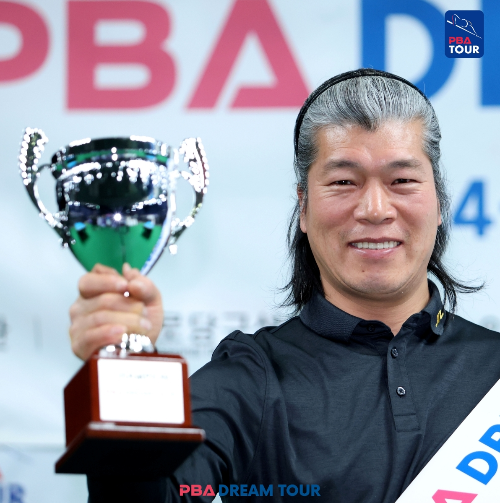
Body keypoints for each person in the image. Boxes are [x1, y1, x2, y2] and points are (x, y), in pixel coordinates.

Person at [69, 69, 500, 502]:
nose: (374, 209)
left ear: (440, 202)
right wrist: (123, 369)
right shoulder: (251, 376)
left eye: (402, 180)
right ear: (304, 207)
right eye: (343, 182)